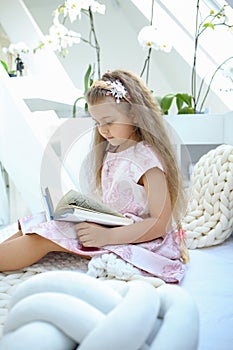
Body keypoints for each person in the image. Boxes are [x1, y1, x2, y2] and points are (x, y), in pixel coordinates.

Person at [0, 69, 189, 283]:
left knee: (45, 236)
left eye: (109, 122)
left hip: (140, 240)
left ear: (134, 114)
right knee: (38, 221)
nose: (103, 130)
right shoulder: (115, 151)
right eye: (98, 123)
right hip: (115, 226)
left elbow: (159, 224)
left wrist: (107, 237)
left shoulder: (147, 161)